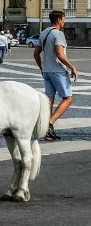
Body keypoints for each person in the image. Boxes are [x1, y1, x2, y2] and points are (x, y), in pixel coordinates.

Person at [34, 10, 79, 141]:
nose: (64, 21)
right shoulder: (58, 34)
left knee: (49, 100)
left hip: (47, 71)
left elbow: (36, 53)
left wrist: (42, 68)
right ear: (59, 20)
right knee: (68, 98)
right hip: (58, 71)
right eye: (64, 19)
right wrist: (72, 67)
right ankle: (49, 124)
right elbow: (60, 54)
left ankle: (46, 131)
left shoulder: (44, 32)